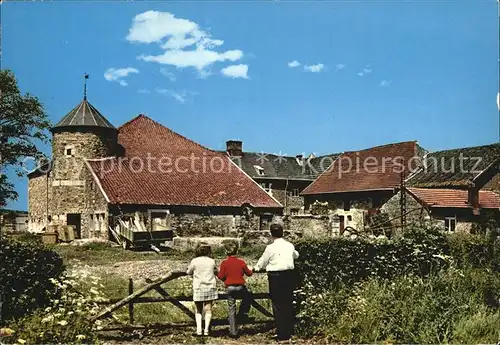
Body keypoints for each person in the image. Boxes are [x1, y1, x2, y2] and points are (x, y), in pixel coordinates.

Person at [253, 223, 299, 341]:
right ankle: (288, 330)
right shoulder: (289, 245)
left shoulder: (270, 248)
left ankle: (281, 332)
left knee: (277, 304)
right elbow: (296, 255)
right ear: (282, 232)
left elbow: (263, 261)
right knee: (287, 302)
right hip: (289, 275)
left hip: (276, 276)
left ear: (271, 234)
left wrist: (256, 268)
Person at [217, 240, 253, 339]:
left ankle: (233, 331)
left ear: (226, 252)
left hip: (230, 288)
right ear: (237, 251)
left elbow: (220, 276)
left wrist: (224, 277)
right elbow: (249, 273)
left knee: (231, 309)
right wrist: (252, 269)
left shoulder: (224, 263)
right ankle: (242, 313)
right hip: (241, 287)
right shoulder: (241, 262)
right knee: (249, 295)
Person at [186, 243, 218, 336]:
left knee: (198, 310)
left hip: (199, 286)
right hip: (210, 286)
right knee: (208, 309)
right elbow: (216, 271)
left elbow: (189, 272)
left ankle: (199, 330)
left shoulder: (194, 261)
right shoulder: (212, 261)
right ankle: (207, 330)